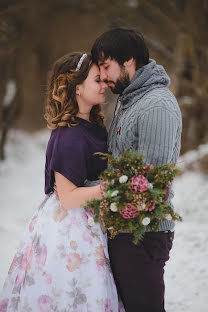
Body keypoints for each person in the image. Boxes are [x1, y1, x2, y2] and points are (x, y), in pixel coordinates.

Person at [0, 52, 121, 311]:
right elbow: (67, 198)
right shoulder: (70, 135)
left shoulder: (94, 124)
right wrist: (112, 187)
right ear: (77, 87)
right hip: (71, 230)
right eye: (97, 80)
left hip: (90, 221)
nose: (105, 85)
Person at [91, 27, 182, 312]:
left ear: (128, 60)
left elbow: (149, 184)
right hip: (125, 231)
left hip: (142, 235)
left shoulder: (156, 106)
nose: (103, 77)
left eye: (106, 66)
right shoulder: (130, 99)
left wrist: (92, 196)